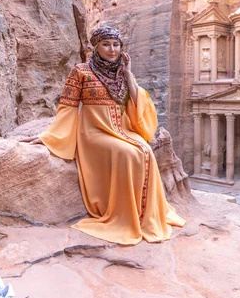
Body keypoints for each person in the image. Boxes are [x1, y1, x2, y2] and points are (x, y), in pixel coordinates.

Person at [21, 26, 185, 245]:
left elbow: (137, 103)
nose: (112, 49)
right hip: (94, 132)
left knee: (144, 150)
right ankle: (124, 215)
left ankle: (143, 213)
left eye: (116, 45)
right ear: (96, 47)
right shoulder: (81, 71)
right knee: (128, 153)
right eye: (106, 44)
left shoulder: (123, 73)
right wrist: (51, 136)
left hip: (121, 129)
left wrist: (127, 74)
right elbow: (68, 107)